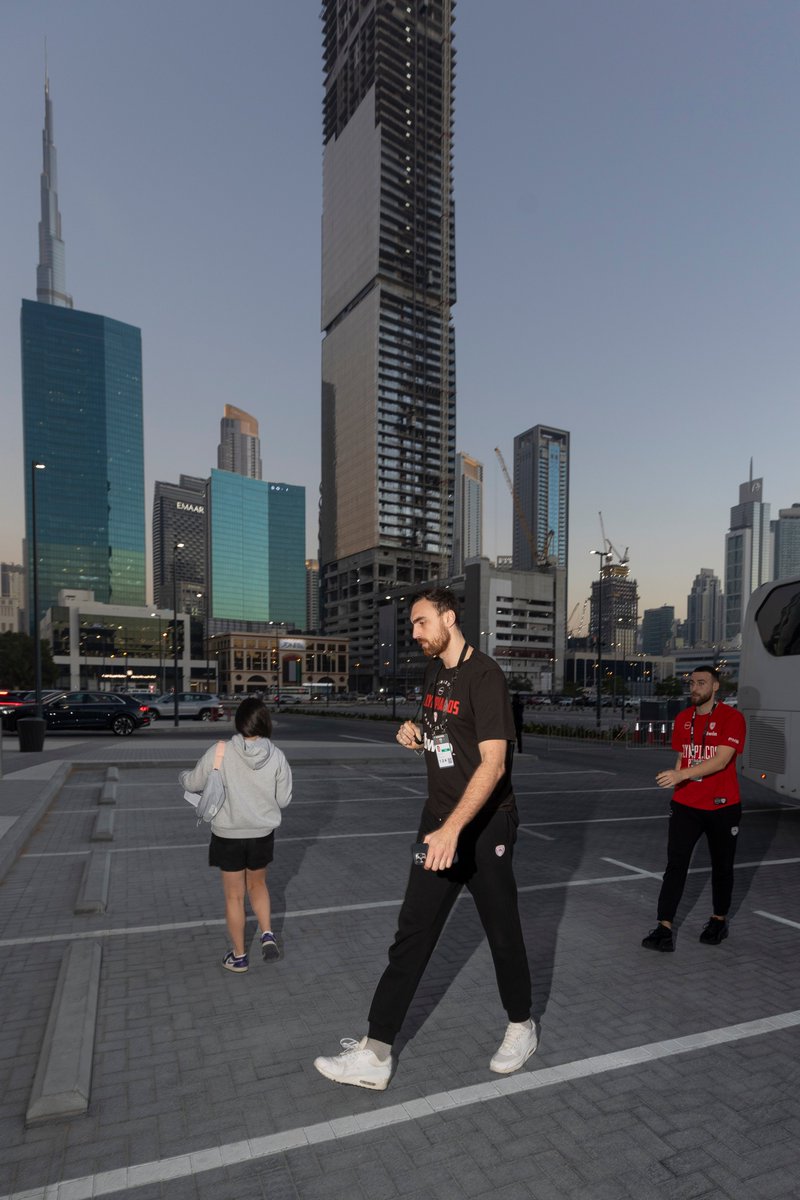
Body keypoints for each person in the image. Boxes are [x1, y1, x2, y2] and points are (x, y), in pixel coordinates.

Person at [313, 588, 535, 1091]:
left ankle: (521, 1026)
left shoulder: (486, 677)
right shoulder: (435, 671)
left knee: (502, 931)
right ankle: (376, 1053)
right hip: (437, 821)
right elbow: (446, 736)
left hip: (484, 826)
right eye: (412, 624)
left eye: (420, 622)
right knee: (412, 932)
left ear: (448, 617)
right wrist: (414, 734)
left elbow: (494, 764)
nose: (414, 633)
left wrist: (454, 830)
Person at [180, 696, 292, 972]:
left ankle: (239, 957)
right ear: (265, 722)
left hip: (227, 835)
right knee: (258, 885)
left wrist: (183, 776)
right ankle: (267, 933)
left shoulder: (220, 751)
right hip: (261, 834)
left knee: (234, 896)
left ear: (239, 722)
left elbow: (192, 782)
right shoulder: (277, 755)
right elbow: (284, 799)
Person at [642, 666, 746, 953]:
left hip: (722, 806)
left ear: (715, 687)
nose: (695, 688)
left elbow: (721, 761)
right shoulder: (683, 718)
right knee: (675, 865)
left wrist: (681, 775)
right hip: (685, 805)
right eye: (691, 683)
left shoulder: (732, 718)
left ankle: (718, 920)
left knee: (722, 866)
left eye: (701, 683)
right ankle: (664, 927)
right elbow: (682, 757)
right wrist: (675, 779)